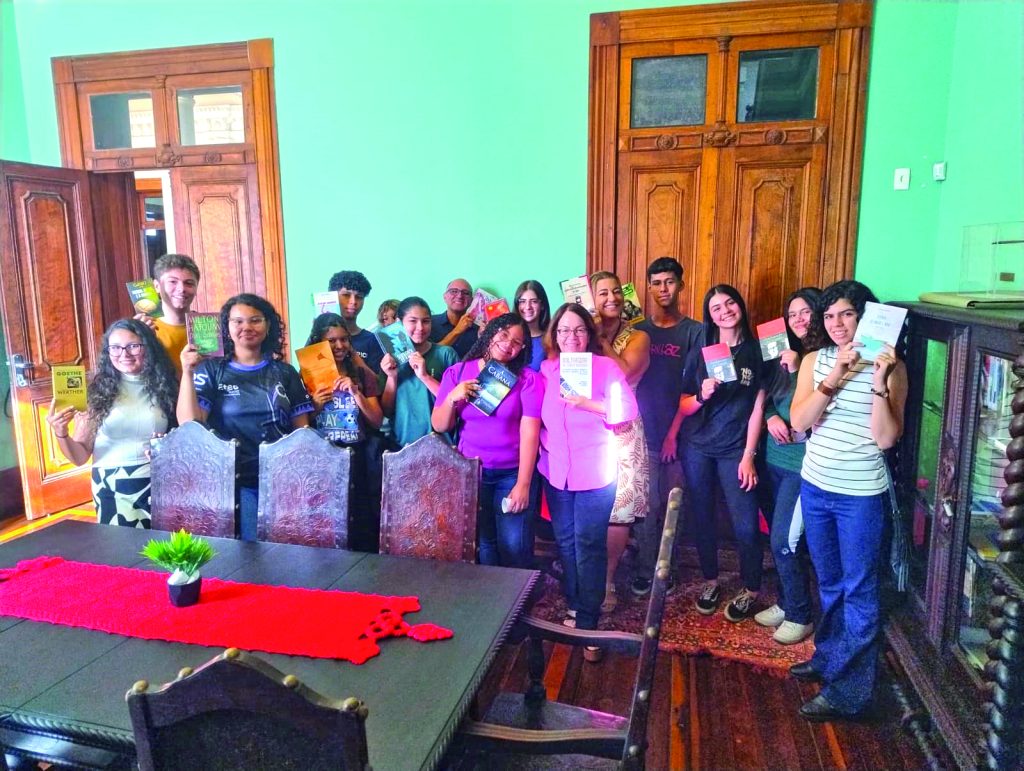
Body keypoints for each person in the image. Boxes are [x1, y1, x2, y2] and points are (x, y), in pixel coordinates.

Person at [788, 279, 907, 721]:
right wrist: (836, 374)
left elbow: (886, 438)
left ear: (865, 317)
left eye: (847, 314)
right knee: (829, 581)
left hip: (860, 496)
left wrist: (877, 380)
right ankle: (829, 659)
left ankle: (849, 693)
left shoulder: (891, 367)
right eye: (829, 316)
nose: (837, 324)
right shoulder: (816, 360)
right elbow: (799, 421)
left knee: (858, 589)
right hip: (816, 486)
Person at [663, 284, 766, 622]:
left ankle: (751, 588)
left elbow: (758, 408)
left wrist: (749, 454)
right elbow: (683, 405)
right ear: (710, 316)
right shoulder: (702, 351)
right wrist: (702, 396)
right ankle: (710, 581)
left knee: (746, 525)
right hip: (698, 446)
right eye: (716, 308)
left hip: (735, 449)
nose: (725, 311)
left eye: (730, 303)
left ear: (740, 306)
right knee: (702, 516)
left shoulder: (758, 351)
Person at [539, 303, 638, 646]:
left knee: (589, 543)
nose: (572, 336)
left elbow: (627, 411)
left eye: (579, 329)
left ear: (589, 334)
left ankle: (587, 619)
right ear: (555, 335)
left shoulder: (606, 367)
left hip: (595, 472)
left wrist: (586, 403)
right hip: (556, 472)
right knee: (565, 541)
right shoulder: (547, 369)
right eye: (564, 330)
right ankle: (575, 600)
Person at [178, 293, 312, 541]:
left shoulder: (285, 372)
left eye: (255, 320)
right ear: (226, 327)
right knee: (249, 552)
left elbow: (302, 433)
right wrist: (187, 372)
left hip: (281, 480)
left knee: (285, 549)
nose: (247, 327)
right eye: (238, 321)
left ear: (268, 325)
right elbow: (189, 425)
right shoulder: (212, 370)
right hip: (233, 480)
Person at [432, 313, 542, 568]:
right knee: (485, 542)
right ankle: (493, 592)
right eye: (503, 335)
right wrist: (453, 397)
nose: (508, 344)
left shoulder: (528, 380)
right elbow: (439, 425)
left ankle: (519, 592)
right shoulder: (458, 372)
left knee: (514, 545)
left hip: (511, 473)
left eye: (517, 342)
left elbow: (530, 432)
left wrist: (523, 484)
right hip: (471, 473)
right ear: (489, 333)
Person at [46, 319, 177, 528]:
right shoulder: (97, 392)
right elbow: (79, 457)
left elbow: (181, 437)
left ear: (148, 347)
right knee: (122, 547)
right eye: (115, 348)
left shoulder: (166, 386)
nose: (124, 354)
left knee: (163, 546)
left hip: (158, 481)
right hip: (111, 485)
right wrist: (61, 433)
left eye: (133, 346)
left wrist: (166, 444)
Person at [753, 287, 823, 645]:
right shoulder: (781, 353)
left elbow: (810, 409)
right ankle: (786, 601)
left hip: (802, 465)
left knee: (786, 539)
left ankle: (800, 614)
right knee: (777, 536)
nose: (798, 320)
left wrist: (796, 370)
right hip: (773, 460)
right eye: (792, 314)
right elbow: (768, 397)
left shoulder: (821, 359)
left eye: (805, 312)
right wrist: (769, 417)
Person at [631, 257, 703, 596]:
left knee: (674, 504)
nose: (663, 288)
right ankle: (646, 569)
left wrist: (673, 434)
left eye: (670, 282)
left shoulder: (695, 332)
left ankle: (667, 569)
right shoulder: (637, 331)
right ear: (648, 287)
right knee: (646, 506)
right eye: (657, 283)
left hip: (681, 434)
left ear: (680, 285)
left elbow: (693, 388)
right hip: (641, 432)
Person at [590, 271, 650, 613]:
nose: (611, 298)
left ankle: (608, 579)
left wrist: (600, 341)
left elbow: (623, 374)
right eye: (603, 293)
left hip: (623, 430)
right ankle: (587, 572)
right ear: (592, 299)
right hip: (586, 426)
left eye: (616, 292)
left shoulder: (638, 336)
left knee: (618, 511)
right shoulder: (582, 332)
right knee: (589, 504)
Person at [305, 312, 384, 552]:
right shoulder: (305, 375)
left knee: (359, 515)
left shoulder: (361, 373)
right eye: (331, 341)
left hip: (356, 455)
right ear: (319, 343)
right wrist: (316, 405)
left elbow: (377, 420)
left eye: (344, 339)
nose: (339, 346)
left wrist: (356, 393)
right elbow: (300, 425)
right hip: (322, 457)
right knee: (325, 514)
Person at [381, 297, 458, 447]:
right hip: (401, 445)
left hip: (442, 444)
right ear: (399, 322)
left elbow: (457, 402)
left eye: (426, 321)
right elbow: (386, 411)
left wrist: (425, 376)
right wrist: (391, 377)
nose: (420, 327)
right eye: (413, 321)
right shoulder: (389, 359)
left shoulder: (446, 354)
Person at [136, 253, 200, 379]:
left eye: (189, 283)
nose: (181, 289)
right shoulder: (145, 327)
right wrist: (137, 339)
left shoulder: (209, 327)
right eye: (172, 282)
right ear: (156, 286)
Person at [327, 270, 383, 374]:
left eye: (359, 297)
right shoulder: (320, 337)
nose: (353, 302)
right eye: (346, 295)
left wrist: (353, 355)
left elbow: (378, 382)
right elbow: (306, 375)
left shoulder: (372, 340)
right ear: (333, 297)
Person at [429, 278, 479, 357]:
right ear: (445, 297)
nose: (460, 296)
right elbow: (429, 356)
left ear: (471, 300)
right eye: (454, 291)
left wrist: (485, 338)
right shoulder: (429, 323)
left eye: (465, 293)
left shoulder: (478, 328)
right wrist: (457, 331)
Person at [513, 280, 552, 372]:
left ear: (542, 305)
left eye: (534, 301)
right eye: (522, 301)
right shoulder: (507, 337)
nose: (528, 307)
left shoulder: (551, 339)